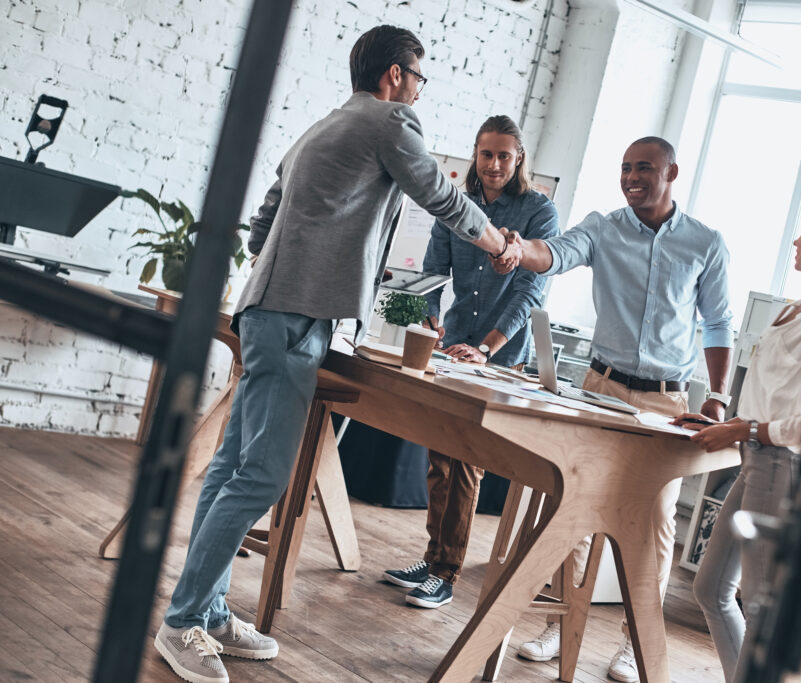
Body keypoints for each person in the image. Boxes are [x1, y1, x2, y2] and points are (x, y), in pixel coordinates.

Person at [153, 25, 518, 683]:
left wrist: (294, 264)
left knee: (234, 463)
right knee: (261, 475)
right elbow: (442, 196)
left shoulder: (321, 127)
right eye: (419, 78)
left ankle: (203, 608)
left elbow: (263, 224)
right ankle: (182, 621)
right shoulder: (390, 123)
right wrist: (498, 243)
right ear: (395, 77)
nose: (418, 91)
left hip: (267, 308)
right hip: (296, 315)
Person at [498, 137, 734, 683]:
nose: (631, 177)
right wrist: (515, 247)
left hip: (666, 402)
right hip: (600, 388)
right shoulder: (604, 227)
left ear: (671, 172)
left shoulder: (706, 243)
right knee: (574, 509)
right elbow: (553, 253)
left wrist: (717, 395)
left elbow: (719, 323)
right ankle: (560, 625)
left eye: (643, 168)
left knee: (653, 525)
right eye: (625, 168)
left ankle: (634, 641)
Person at [676, 198, 801, 683]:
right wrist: (727, 422)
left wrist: (744, 429)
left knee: (758, 607)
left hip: (781, 463)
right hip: (756, 458)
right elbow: (771, 391)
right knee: (713, 588)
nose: (797, 239)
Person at [382, 115, 559, 609]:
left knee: (465, 461)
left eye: (505, 155)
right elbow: (434, 271)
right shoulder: (456, 207)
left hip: (501, 357)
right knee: (442, 455)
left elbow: (531, 290)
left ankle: (446, 573)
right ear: (475, 156)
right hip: (452, 343)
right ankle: (434, 556)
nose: (495, 164)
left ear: (519, 157)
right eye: (487, 154)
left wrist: (486, 347)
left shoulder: (538, 211)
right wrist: (429, 322)